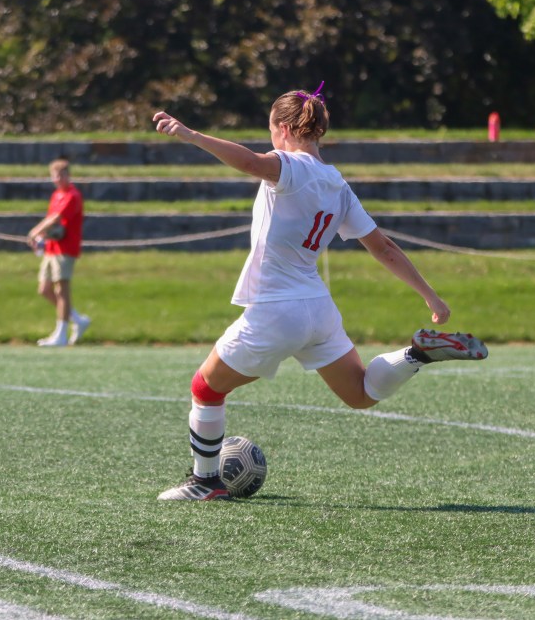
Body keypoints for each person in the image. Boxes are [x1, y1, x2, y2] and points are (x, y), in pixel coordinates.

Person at [151, 83, 488, 501]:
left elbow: (252, 162)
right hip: (317, 308)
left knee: (206, 388)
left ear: (285, 128)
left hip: (277, 310)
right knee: (362, 393)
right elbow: (382, 247)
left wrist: (192, 135)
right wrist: (431, 296)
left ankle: (205, 483)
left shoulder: (291, 166)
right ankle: (415, 355)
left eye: (272, 130)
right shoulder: (336, 182)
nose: (271, 140)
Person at [26, 158, 91, 347]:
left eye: (60, 175)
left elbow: (55, 218)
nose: (57, 179)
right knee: (44, 289)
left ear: (68, 175)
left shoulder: (72, 195)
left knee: (61, 290)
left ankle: (61, 333)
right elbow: (50, 221)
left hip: (66, 248)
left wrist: (35, 231)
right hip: (52, 247)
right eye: (54, 176)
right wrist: (41, 240)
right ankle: (78, 320)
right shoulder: (56, 195)